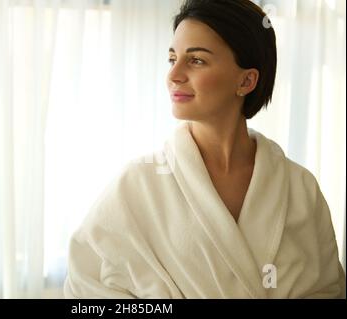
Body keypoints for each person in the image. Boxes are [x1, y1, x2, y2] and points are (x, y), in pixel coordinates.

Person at [63, 0, 346, 298]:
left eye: (196, 60)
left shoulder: (300, 188)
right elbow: (85, 288)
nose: (174, 75)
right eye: (172, 59)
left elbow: (329, 289)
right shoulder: (137, 185)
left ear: (247, 80)